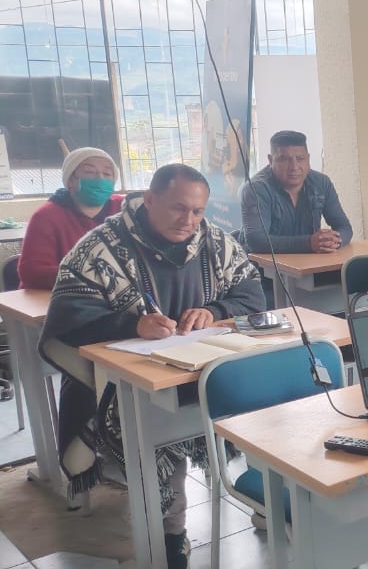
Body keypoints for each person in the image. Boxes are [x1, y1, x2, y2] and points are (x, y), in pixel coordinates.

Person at [41, 163, 266, 569]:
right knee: (160, 444)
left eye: (198, 211)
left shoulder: (215, 242)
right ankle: (171, 535)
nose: (189, 220)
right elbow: (66, 319)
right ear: (148, 199)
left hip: (200, 366)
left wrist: (215, 310)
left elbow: (252, 293)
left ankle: (266, 499)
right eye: (178, 208)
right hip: (126, 379)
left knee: (262, 399)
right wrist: (132, 324)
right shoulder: (100, 247)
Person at [17, 147, 126, 289]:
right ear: (70, 181)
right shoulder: (46, 217)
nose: (100, 178)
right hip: (58, 296)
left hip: (115, 294)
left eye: (107, 173)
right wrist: (97, 277)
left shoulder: (125, 209)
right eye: (89, 172)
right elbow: (33, 272)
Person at [239, 130, 353, 254]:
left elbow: (344, 227)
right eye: (284, 159)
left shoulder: (321, 183)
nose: (294, 167)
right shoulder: (256, 189)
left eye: (300, 159)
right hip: (262, 264)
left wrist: (333, 241)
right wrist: (309, 243)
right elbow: (256, 241)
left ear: (308, 158)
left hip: (309, 262)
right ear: (270, 160)